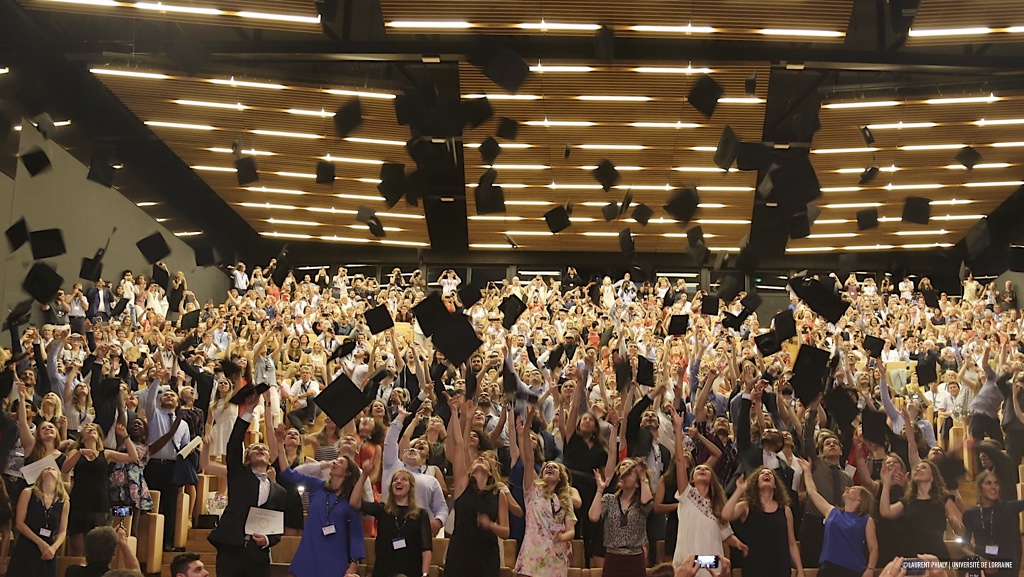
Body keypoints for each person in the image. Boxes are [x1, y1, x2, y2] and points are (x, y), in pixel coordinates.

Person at [206, 393, 288, 577]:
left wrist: (267, 540)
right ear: (247, 458)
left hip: (258, 555)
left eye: (264, 449)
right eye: (255, 449)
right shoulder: (238, 474)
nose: (260, 449)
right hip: (231, 549)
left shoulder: (280, 492)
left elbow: (277, 525)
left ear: (269, 460)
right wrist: (249, 410)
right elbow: (234, 443)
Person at [443, 395, 509, 577]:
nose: (480, 459)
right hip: (460, 552)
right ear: (470, 470)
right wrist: (457, 413)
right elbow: (458, 445)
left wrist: (490, 525)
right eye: (477, 460)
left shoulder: (498, 494)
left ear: (491, 471)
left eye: (484, 460)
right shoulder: (463, 485)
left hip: (486, 556)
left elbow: (505, 531)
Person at [670, 412, 738, 573]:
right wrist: (678, 430)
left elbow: (726, 533)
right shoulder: (687, 494)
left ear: (712, 478)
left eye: (706, 469)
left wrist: (739, 544)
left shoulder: (718, 505)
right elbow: (679, 460)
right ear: (691, 478)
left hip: (710, 562)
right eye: (698, 468)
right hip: (685, 561)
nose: (702, 468)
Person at [514, 408, 577, 577]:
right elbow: (528, 459)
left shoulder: (565, 500)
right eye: (547, 466)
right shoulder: (532, 489)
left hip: (555, 557)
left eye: (554, 467)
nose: (549, 467)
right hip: (531, 556)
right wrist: (526, 430)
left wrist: (562, 537)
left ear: (560, 478)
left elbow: (571, 531)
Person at [797, 458, 877, 577]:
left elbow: (873, 547)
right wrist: (807, 472)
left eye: (853, 488)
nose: (847, 488)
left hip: (853, 570)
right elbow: (812, 492)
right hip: (828, 569)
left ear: (860, 499)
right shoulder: (832, 511)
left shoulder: (866, 520)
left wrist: (870, 569)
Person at [722, 467, 804, 577]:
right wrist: (739, 490)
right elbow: (725, 515)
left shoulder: (785, 510)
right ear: (755, 484)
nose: (766, 474)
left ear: (775, 485)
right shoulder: (746, 506)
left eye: (770, 473)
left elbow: (792, 543)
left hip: (780, 568)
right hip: (755, 567)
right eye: (762, 474)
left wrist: (800, 570)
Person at [351, 468, 431, 577]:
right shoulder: (382, 510)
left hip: (411, 570)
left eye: (404, 479)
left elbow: (426, 548)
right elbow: (354, 502)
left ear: (411, 487)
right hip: (384, 570)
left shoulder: (421, 514)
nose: (398, 481)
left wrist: (425, 574)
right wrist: (364, 475)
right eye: (395, 479)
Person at [879, 459, 963, 560]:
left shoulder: (943, 498)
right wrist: (886, 483)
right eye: (916, 468)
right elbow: (885, 512)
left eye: (923, 467)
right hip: (912, 555)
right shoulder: (908, 500)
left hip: (936, 554)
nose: (918, 470)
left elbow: (959, 529)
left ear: (932, 477)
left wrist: (955, 522)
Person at [588, 458, 654, 577]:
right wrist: (600, 489)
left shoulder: (641, 503)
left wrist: (643, 474)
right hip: (613, 557)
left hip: (635, 558)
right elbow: (593, 517)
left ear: (637, 483)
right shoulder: (609, 499)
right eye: (621, 474)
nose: (623, 477)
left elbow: (646, 501)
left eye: (628, 474)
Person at [8, 466, 69, 577]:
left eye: (53, 469)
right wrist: (40, 543)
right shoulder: (28, 493)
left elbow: (62, 531)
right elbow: (20, 524)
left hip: (48, 548)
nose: (49, 469)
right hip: (28, 543)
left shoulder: (63, 501)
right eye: (46, 469)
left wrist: (53, 548)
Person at [960, 471, 1024, 577]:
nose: (993, 487)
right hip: (980, 562)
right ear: (980, 487)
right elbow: (964, 544)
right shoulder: (970, 514)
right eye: (988, 483)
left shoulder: (1008, 507)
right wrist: (980, 560)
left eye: (996, 483)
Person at [64, 525, 141, 577]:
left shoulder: (72, 572)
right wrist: (122, 541)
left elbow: (83, 563)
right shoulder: (113, 576)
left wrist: (103, 538)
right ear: (114, 554)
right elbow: (135, 571)